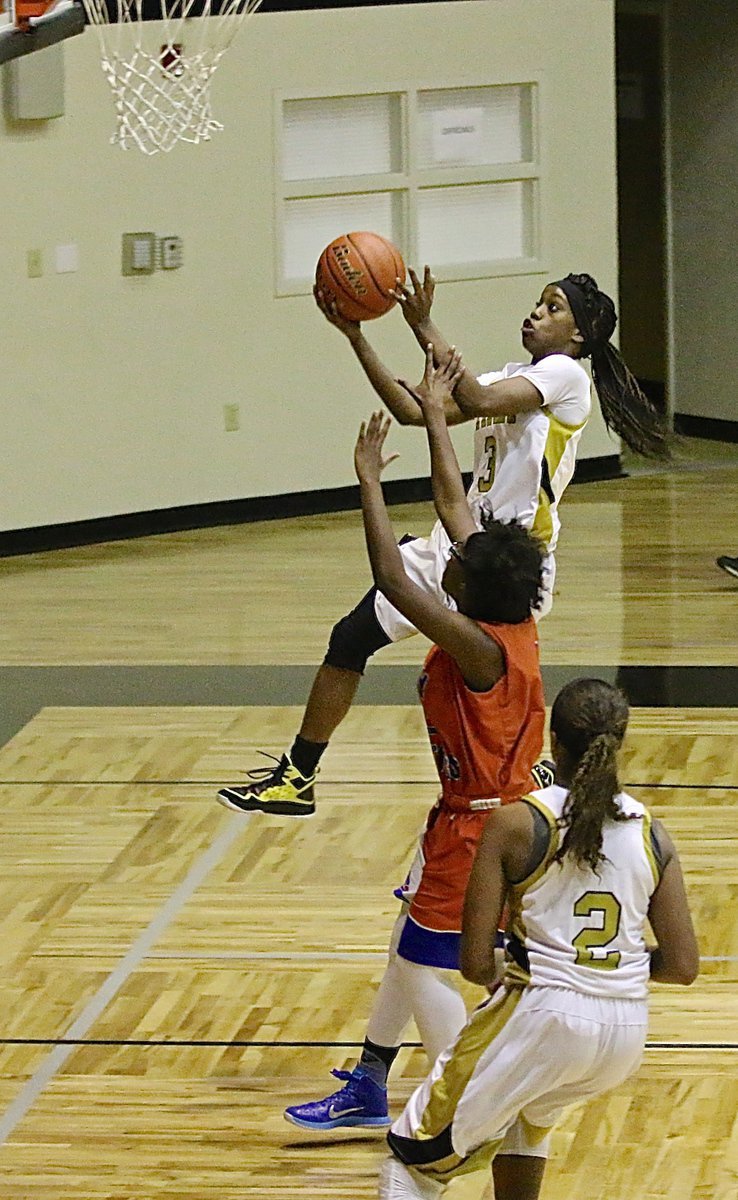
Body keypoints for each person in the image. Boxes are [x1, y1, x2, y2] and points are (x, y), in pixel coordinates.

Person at [217, 267, 671, 818]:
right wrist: (357, 337)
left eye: (553, 308)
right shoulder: (515, 377)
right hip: (459, 542)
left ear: (578, 336)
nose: (536, 313)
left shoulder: (565, 377)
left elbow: (472, 398)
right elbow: (415, 411)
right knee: (350, 639)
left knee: (478, 696)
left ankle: (529, 773)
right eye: (538, 302)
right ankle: (298, 775)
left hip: (508, 564)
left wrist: (422, 323)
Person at [283, 355, 547, 1134]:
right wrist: (435, 414)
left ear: (466, 590)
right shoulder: (506, 617)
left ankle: (463, 1100)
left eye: (457, 563)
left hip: (479, 824)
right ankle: (370, 1078)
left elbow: (397, 584)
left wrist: (366, 481)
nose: (450, 557)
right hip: (493, 811)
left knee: (424, 964)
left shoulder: (476, 648)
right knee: (408, 940)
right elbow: (453, 501)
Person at [378, 676, 699, 1200]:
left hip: (544, 1015)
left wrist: (537, 977)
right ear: (619, 744)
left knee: (409, 1164)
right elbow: (683, 965)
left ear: (555, 743)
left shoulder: (516, 822)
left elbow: (476, 961)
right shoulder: (651, 832)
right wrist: (609, 967)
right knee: (526, 1121)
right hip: (623, 1034)